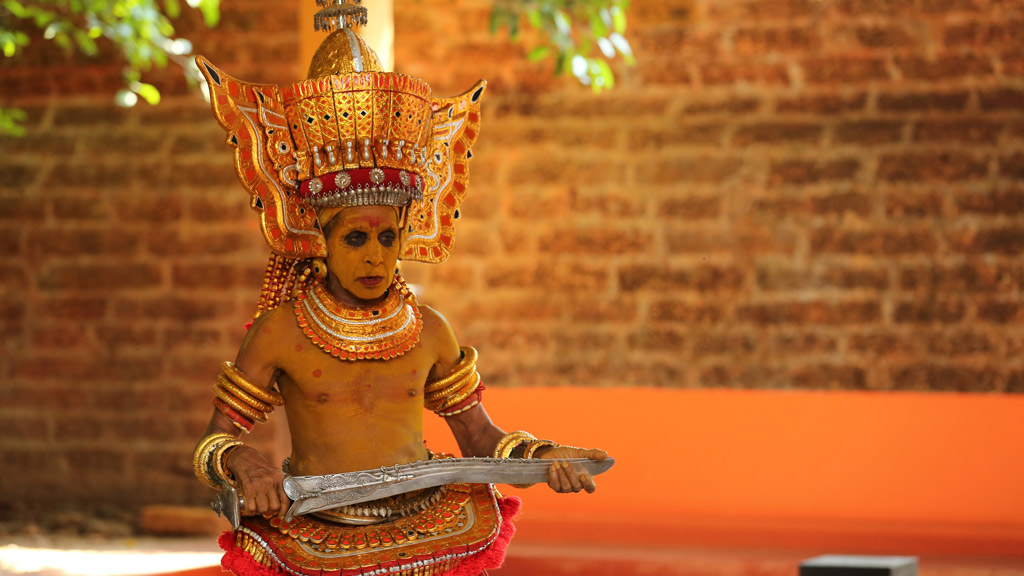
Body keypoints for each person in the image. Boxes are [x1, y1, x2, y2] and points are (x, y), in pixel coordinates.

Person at [191, 3, 608, 575]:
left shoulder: (430, 330)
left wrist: (540, 458)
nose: (375, 255)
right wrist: (248, 463)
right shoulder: (281, 330)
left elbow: (480, 438)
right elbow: (212, 445)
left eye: (388, 236)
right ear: (322, 239)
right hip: (317, 531)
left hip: (432, 528)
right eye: (356, 237)